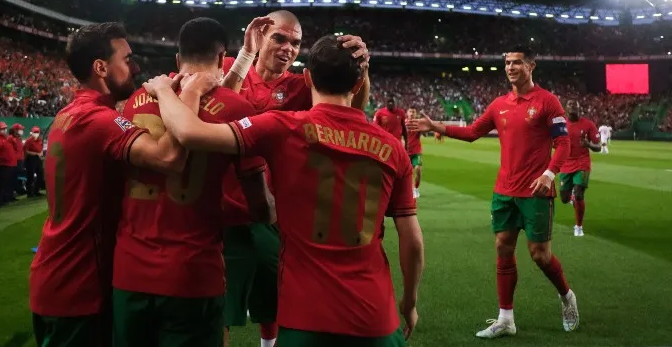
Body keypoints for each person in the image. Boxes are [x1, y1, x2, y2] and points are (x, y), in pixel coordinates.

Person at [147, 35, 424, 346]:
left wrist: (163, 91)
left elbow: (188, 131)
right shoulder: (393, 149)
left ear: (306, 78)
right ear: (358, 85)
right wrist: (409, 303)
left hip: (305, 318)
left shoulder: (280, 128)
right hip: (376, 318)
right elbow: (411, 240)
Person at [29, 22, 209, 347]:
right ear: (101, 67)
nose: (135, 67)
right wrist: (188, 93)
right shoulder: (100, 121)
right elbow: (169, 157)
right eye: (127, 59)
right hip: (80, 283)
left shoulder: (68, 114)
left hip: (54, 274)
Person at [112, 17, 273, 347]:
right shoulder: (238, 109)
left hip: (130, 272)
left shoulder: (136, 101)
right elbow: (260, 206)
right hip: (193, 273)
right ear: (220, 58)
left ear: (176, 58)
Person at [220, 11, 371, 347]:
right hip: (221, 210)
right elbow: (209, 100)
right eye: (280, 38)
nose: (289, 48)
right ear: (259, 36)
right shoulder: (231, 66)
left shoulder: (299, 85)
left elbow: (351, 107)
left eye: (296, 42)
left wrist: (361, 70)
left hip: (273, 212)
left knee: (273, 302)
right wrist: (242, 58)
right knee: (219, 307)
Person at [408, 46, 578, 338]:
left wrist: (550, 174)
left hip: (536, 191)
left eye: (517, 63)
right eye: (507, 63)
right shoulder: (499, 103)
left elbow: (563, 144)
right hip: (505, 191)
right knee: (503, 248)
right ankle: (506, 319)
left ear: (531, 66)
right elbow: (473, 132)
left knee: (540, 255)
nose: (511, 67)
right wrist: (435, 125)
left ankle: (567, 297)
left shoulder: (548, 102)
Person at [558, 100, 599, 237]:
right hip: (565, 164)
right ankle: (571, 198)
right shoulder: (560, 124)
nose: (574, 109)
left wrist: (589, 145)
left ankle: (579, 226)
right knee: (564, 198)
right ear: (566, 109)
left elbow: (598, 147)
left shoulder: (588, 124)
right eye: (571, 107)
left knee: (579, 193)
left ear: (579, 108)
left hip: (582, 163)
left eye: (576, 106)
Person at [405, 108, 423, 198]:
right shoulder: (403, 124)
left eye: (414, 112)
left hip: (417, 152)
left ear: (416, 114)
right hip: (405, 153)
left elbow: (425, 132)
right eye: (410, 111)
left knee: (418, 170)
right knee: (405, 174)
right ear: (407, 113)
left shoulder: (419, 124)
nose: (412, 113)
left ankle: (416, 189)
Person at [24, 126, 44, 197]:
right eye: (35, 132)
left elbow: (41, 148)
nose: (36, 133)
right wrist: (36, 153)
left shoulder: (40, 140)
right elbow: (26, 151)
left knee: (40, 174)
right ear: (32, 132)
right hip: (31, 159)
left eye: (37, 132)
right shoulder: (29, 141)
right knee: (30, 176)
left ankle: (36, 190)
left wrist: (41, 153)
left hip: (38, 159)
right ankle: (29, 193)